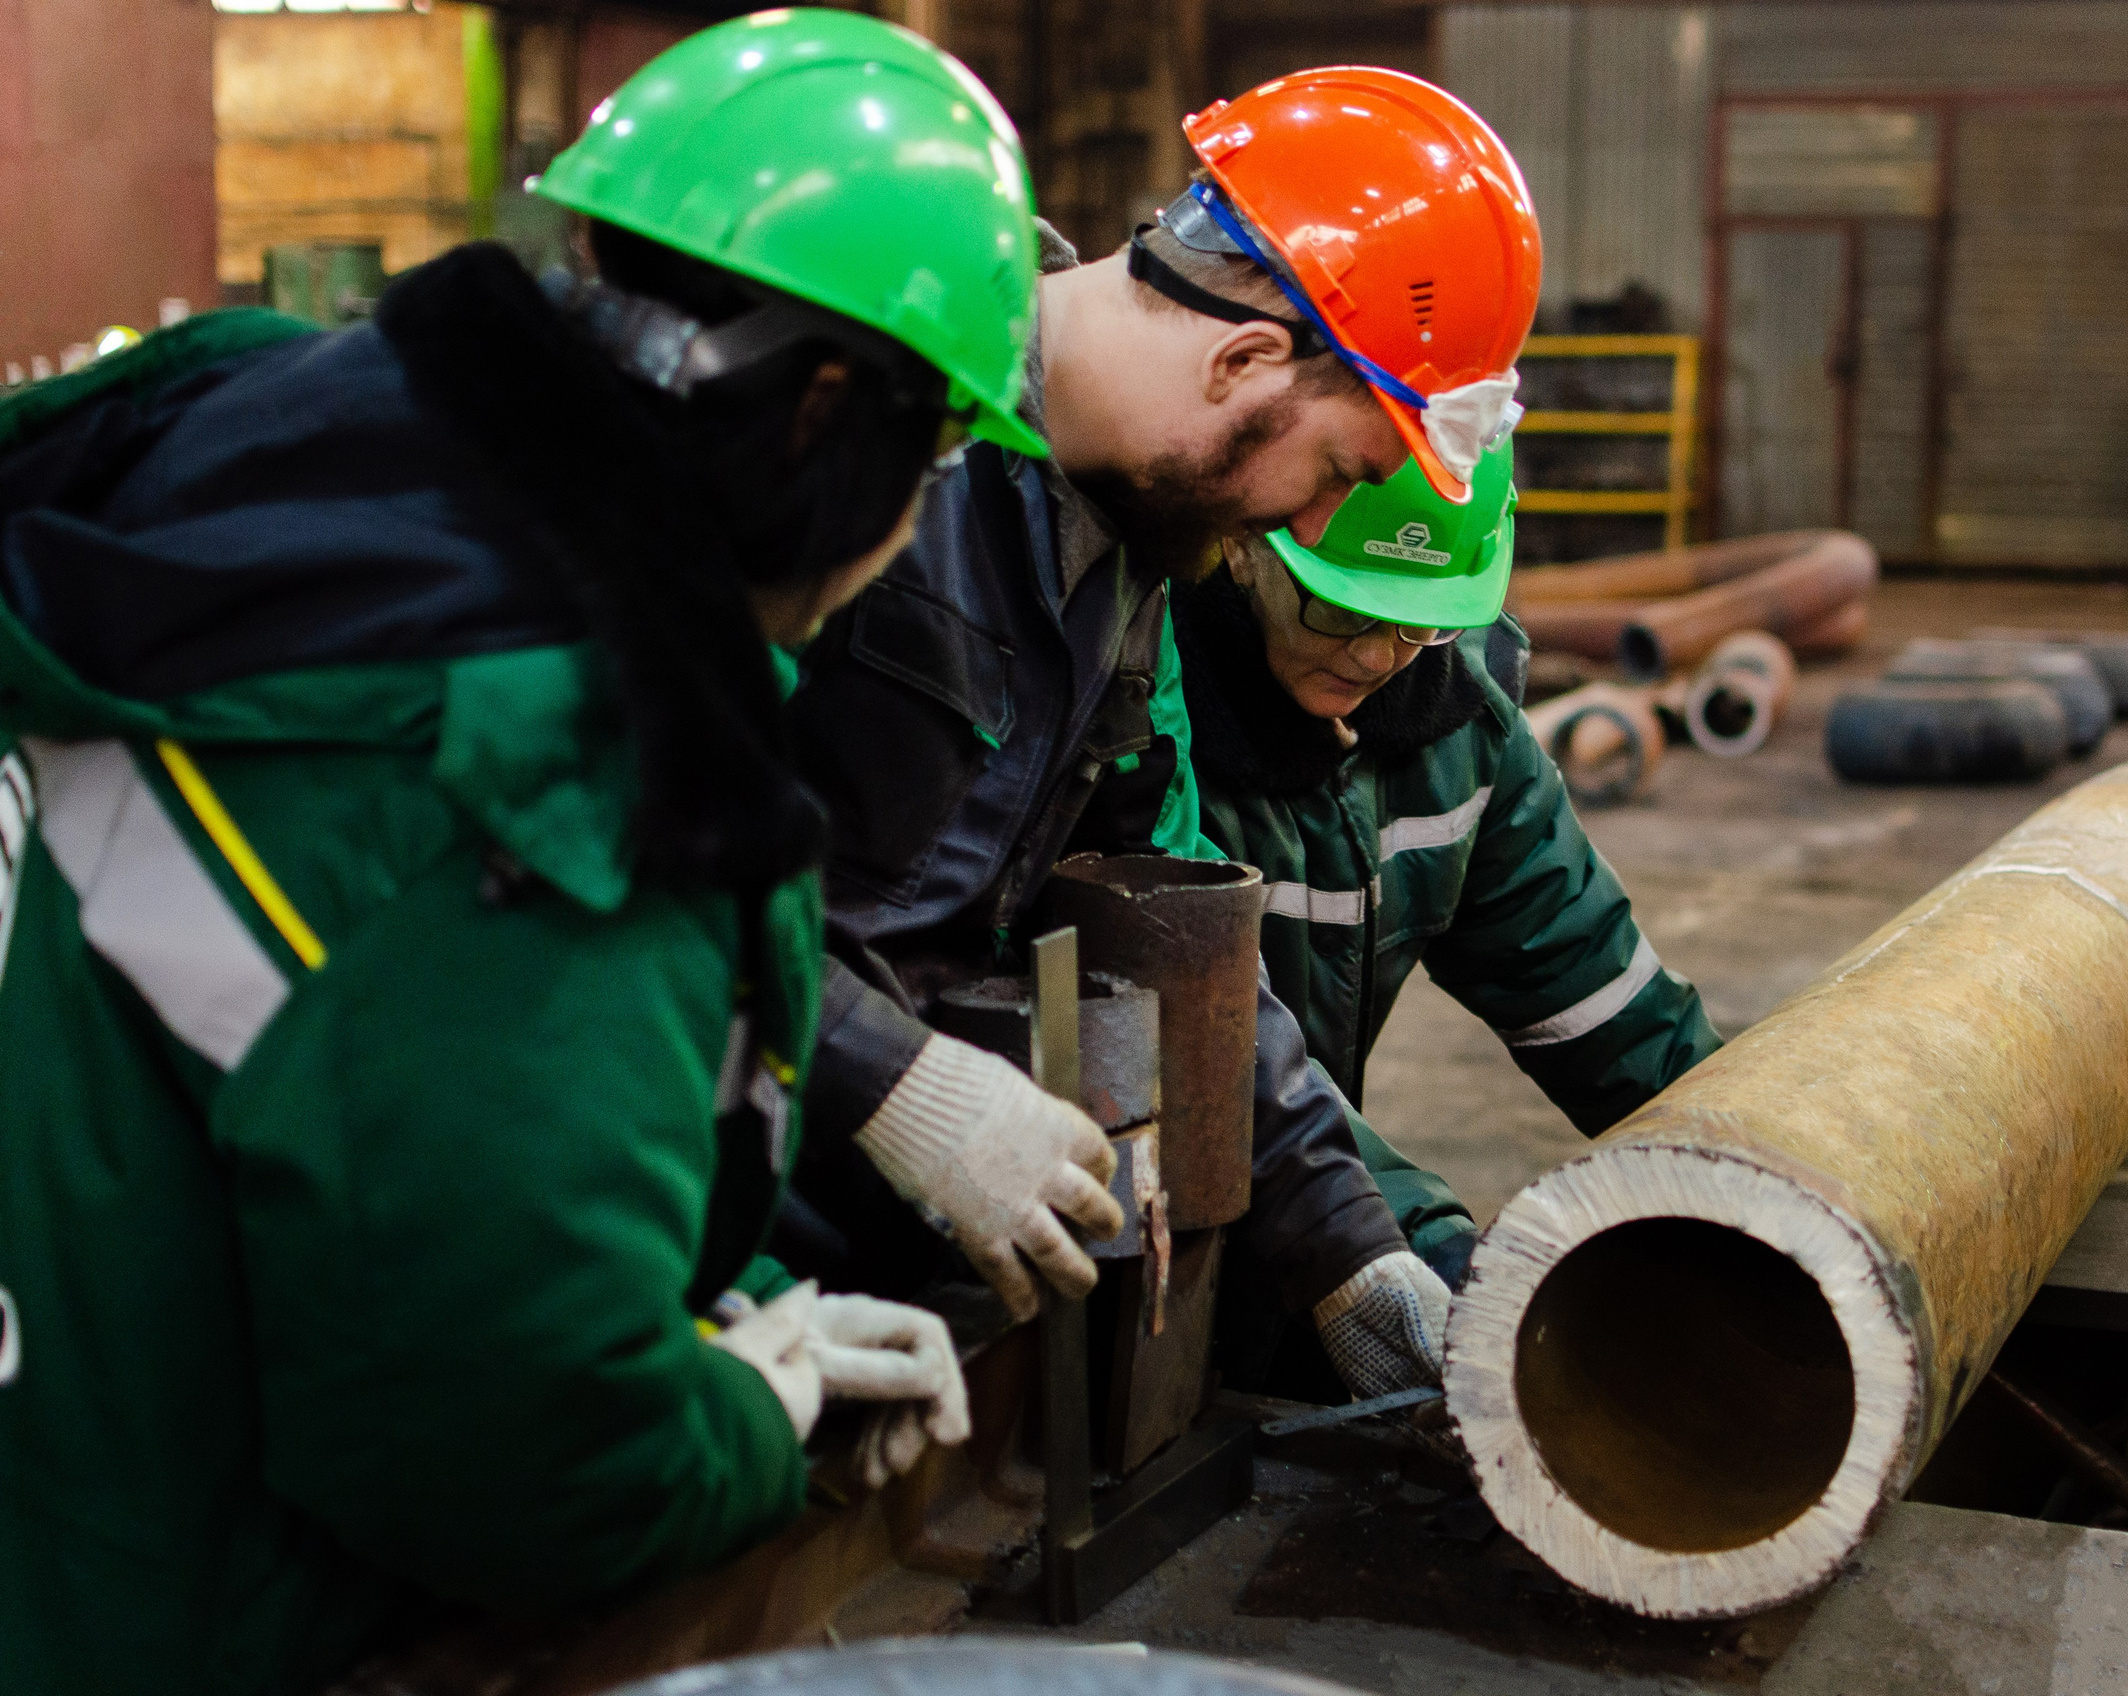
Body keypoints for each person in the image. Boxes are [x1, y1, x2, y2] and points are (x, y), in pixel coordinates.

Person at [0, 14, 1041, 1693]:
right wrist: (739, 1404)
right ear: (826, 418)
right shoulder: (539, 774)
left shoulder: (270, 471)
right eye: (932, 459)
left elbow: (378, 1117)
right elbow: (520, 1458)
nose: (921, 524)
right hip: (157, 1611)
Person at [783, 66, 1544, 1404]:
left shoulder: (1124, 557)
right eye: (1344, 471)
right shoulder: (871, 442)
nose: (1314, 529)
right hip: (670, 1199)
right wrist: (893, 1080)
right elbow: (617, 855)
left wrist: (1348, 1248)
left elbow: (1162, 912)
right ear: (1247, 360)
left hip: (856, 1226)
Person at [1169, 438, 1720, 1330]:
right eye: (1342, 608)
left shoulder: (1460, 740)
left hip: (1311, 1209)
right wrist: (1426, 1251)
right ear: (1243, 541)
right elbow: (1219, 1056)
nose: (1379, 656)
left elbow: (1598, 997)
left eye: (1421, 620)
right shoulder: (1147, 740)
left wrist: (1752, 1156)